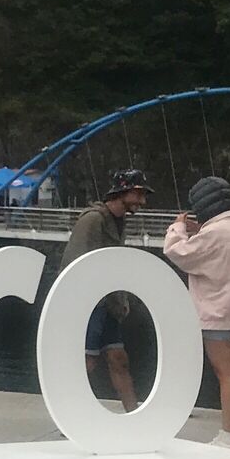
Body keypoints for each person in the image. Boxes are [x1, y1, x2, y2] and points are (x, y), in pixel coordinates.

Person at [163, 176, 230, 449]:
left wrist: (178, 227)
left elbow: (177, 252)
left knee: (226, 374)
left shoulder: (214, 233)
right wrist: (199, 230)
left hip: (216, 314)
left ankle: (228, 435)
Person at [68, 170, 152, 412]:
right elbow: (77, 263)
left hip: (108, 304)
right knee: (87, 360)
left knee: (118, 359)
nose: (142, 201)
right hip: (89, 303)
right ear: (121, 192)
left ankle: (134, 416)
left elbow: (113, 264)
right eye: (138, 194)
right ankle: (72, 413)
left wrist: (120, 299)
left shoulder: (118, 220)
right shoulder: (93, 220)